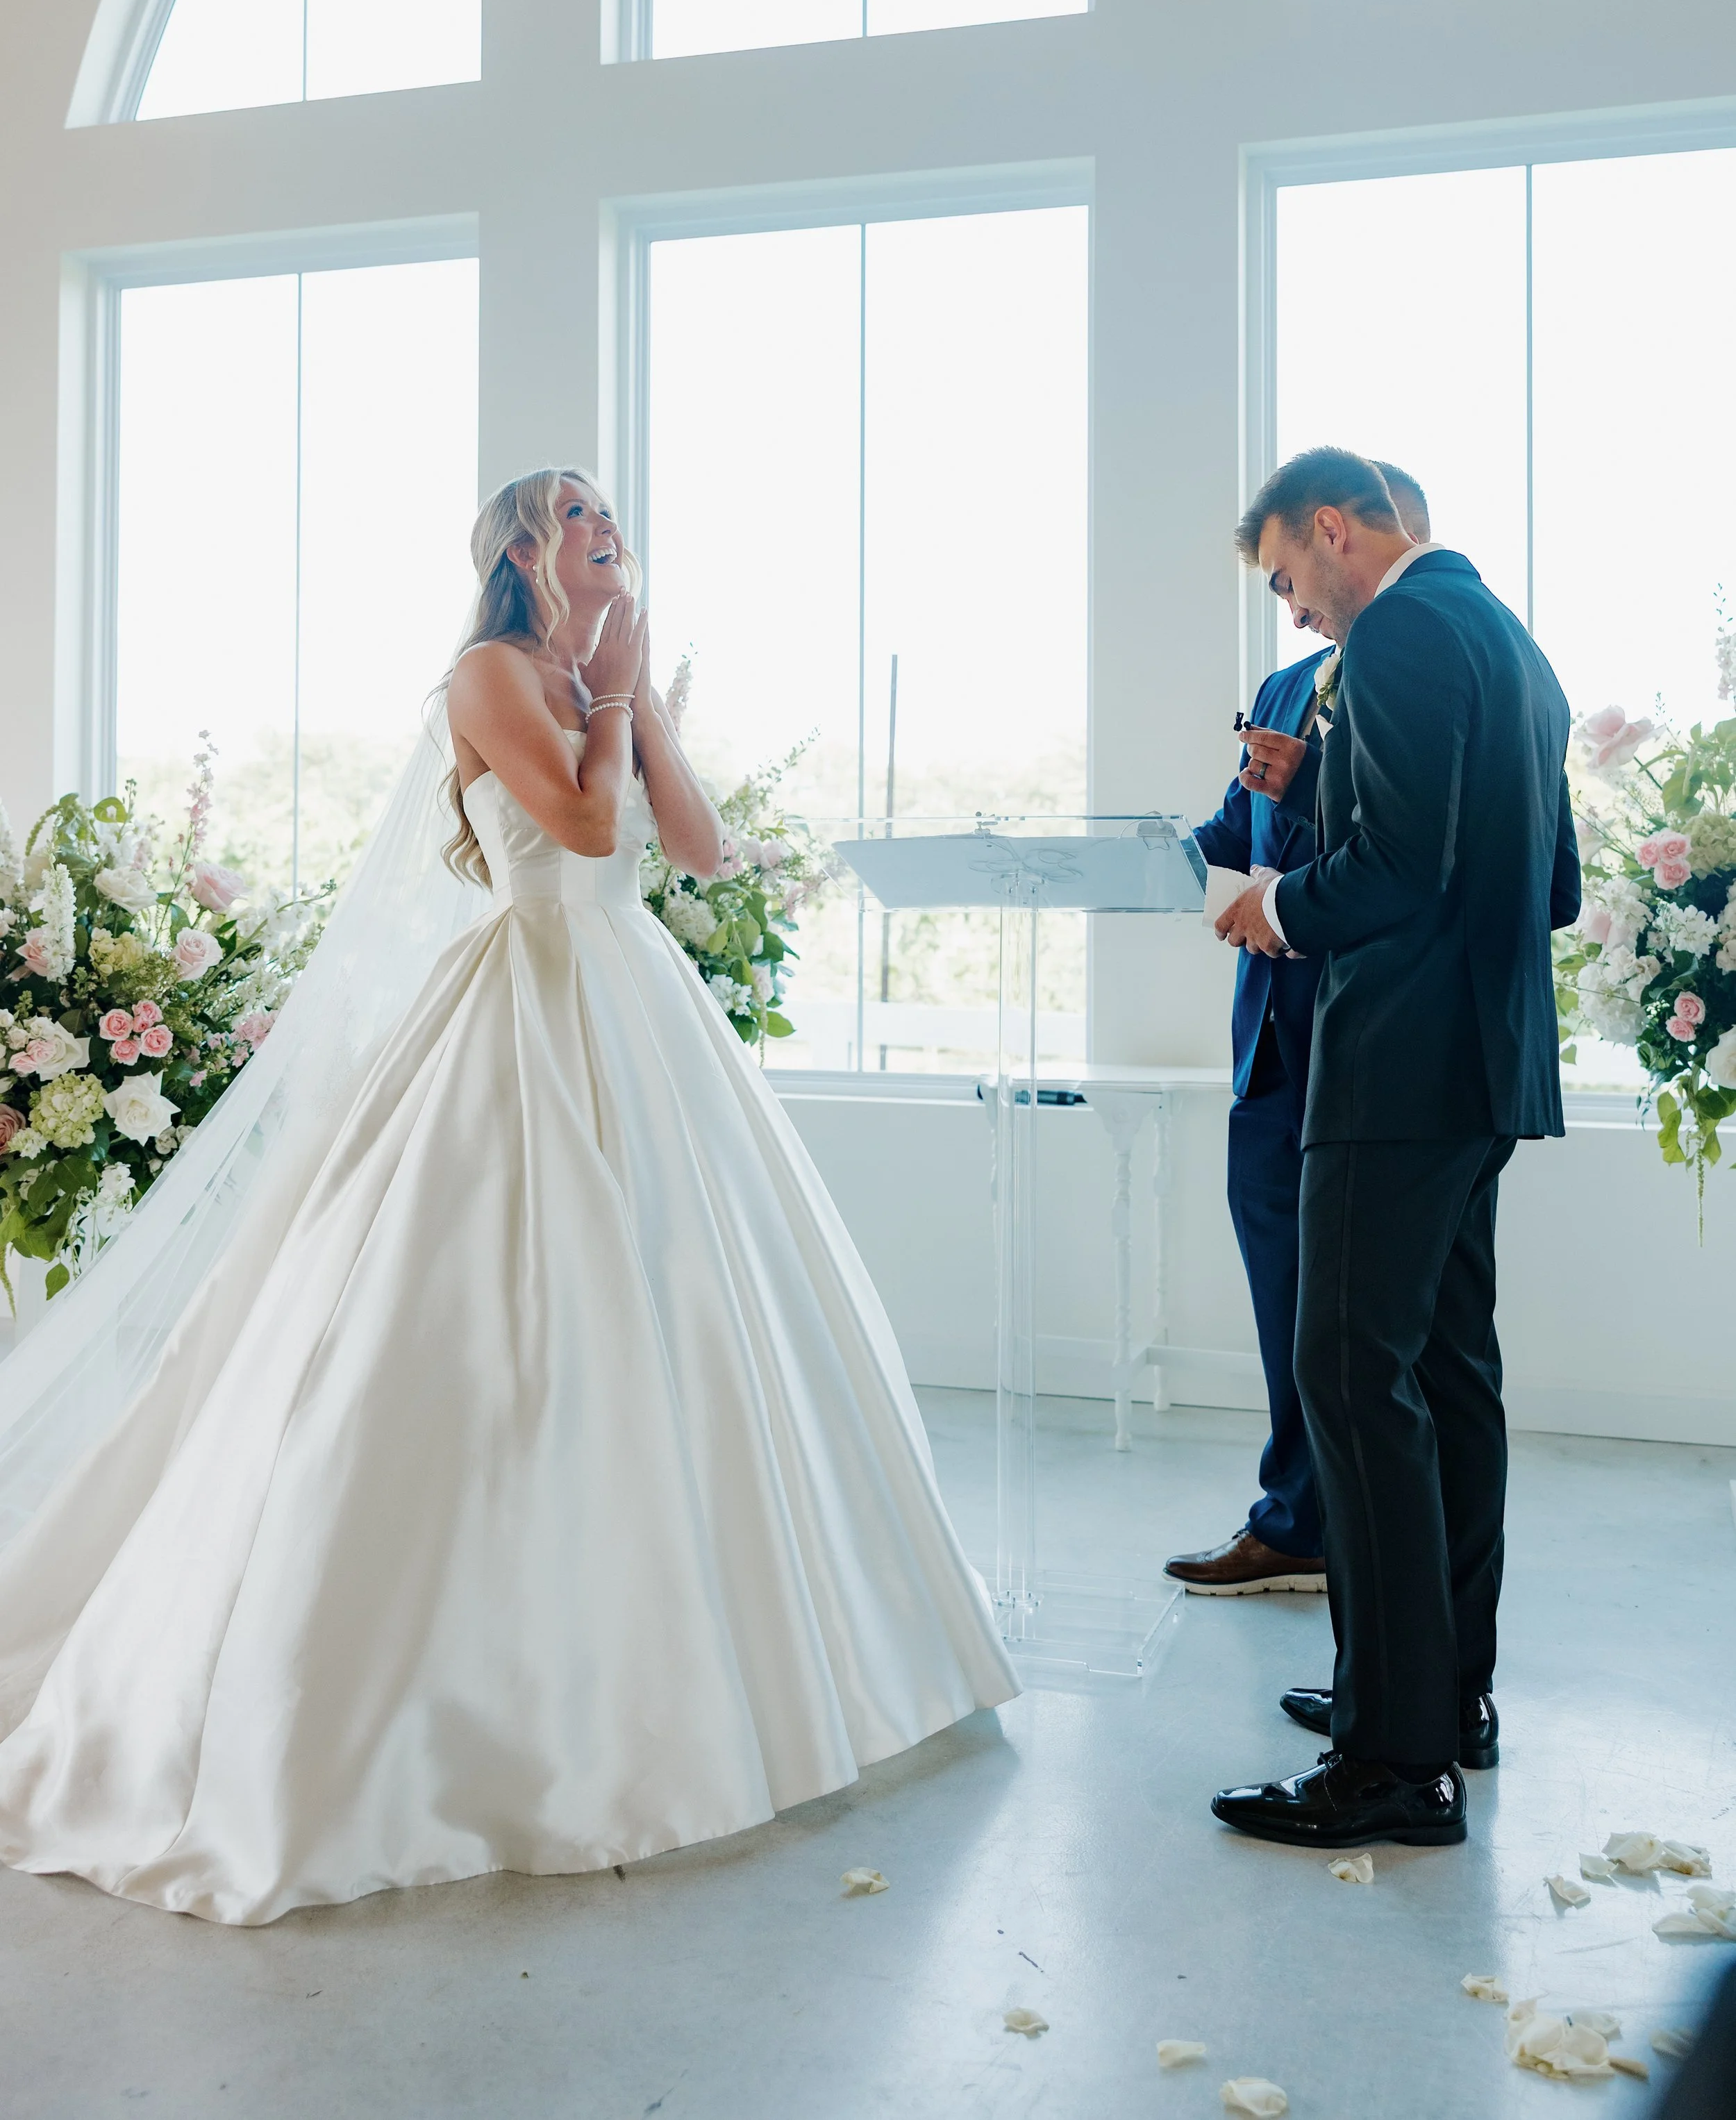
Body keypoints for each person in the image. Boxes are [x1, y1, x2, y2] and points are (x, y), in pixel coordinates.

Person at [0, 467, 1016, 1923]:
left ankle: (746, 1687)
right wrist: (603, 700)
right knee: (480, 1319)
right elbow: (579, 836)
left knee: (685, 1314)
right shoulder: (488, 673)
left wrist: (638, 698)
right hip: (522, 1004)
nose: (610, 522)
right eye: (579, 511)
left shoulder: (597, 670)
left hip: (636, 1013)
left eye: (613, 510)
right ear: (527, 548)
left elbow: (694, 849)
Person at [1208, 448, 1578, 1851]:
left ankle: (1387, 1763)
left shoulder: (1404, 631)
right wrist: (1318, 792)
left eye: (1287, 581)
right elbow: (1544, 883)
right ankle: (1437, 1697)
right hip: (1479, 1064)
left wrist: (1271, 906)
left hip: (1394, 1067)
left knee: (1349, 1379)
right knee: (1441, 1377)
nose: (1295, 615)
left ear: (1331, 529)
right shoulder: (1506, 643)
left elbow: (1392, 873)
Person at [1166, 464, 1430, 1598]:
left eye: (1291, 580)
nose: (1295, 610)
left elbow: (1397, 843)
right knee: (1285, 1304)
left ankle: (1351, 1543)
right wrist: (1122, 855)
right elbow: (1235, 830)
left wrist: (1316, 781)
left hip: (1363, 1045)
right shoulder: (1279, 688)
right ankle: (1296, 1516)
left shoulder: (1414, 662)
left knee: (1357, 1327)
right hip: (1267, 1051)